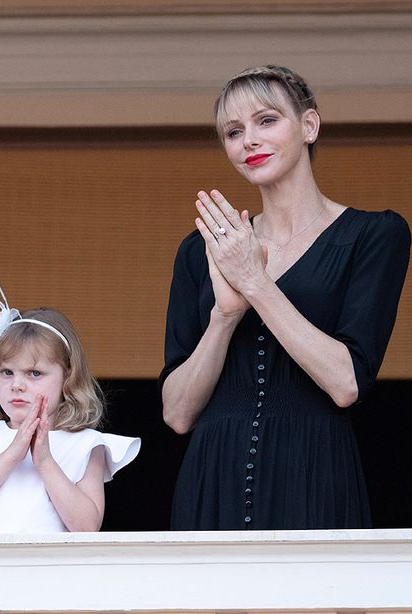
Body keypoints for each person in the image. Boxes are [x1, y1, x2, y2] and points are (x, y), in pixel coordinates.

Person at [161, 65, 410, 530]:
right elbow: (176, 414)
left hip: (314, 469)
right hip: (213, 473)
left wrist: (255, 283)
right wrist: (224, 317)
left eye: (267, 120)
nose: (248, 140)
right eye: (234, 132)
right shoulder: (202, 250)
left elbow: (346, 383)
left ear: (309, 126)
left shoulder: (375, 235)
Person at [0, 283, 140, 533]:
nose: (17, 385)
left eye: (34, 373)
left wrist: (44, 461)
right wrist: (13, 453)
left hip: (51, 570)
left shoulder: (86, 445)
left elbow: (87, 526)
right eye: (7, 372)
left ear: (67, 377)